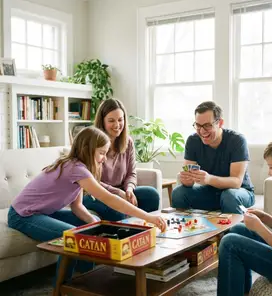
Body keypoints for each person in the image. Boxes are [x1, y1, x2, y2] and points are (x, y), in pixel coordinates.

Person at [7, 126, 166, 282]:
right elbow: (109, 199)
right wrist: (148, 217)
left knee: (91, 226)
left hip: (43, 212)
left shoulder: (79, 168)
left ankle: (87, 277)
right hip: (22, 215)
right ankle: (62, 288)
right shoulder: (75, 168)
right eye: (102, 153)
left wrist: (93, 221)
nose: (104, 158)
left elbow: (77, 207)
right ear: (87, 149)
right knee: (74, 236)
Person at [217, 134, 272, 296]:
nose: (269, 173)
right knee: (239, 229)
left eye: (271, 167)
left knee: (229, 243)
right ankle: (243, 291)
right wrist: (266, 219)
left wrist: (260, 228)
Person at [83, 98, 160, 221]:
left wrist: (129, 189)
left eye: (120, 119)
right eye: (111, 121)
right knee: (117, 210)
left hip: (121, 191)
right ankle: (124, 236)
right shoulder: (92, 142)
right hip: (94, 193)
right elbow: (91, 179)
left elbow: (131, 173)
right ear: (102, 122)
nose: (117, 125)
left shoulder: (127, 142)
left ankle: (144, 231)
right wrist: (118, 193)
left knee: (151, 195)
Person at [171, 101, 254, 214]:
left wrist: (209, 179)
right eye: (198, 125)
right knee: (178, 193)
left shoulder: (237, 140)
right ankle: (188, 230)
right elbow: (188, 179)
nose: (202, 131)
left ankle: (231, 231)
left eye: (207, 125)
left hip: (239, 192)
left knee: (229, 195)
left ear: (220, 123)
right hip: (209, 192)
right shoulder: (193, 141)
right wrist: (187, 180)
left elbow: (236, 182)